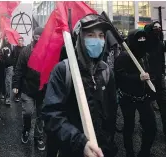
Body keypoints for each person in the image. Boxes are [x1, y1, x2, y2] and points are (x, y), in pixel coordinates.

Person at [42, 14, 118, 157]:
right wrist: (80, 143)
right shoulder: (64, 70)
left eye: (101, 36)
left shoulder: (106, 71)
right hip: (70, 150)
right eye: (91, 35)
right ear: (80, 39)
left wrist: (108, 144)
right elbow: (51, 115)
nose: (98, 41)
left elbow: (111, 112)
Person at [115, 29, 157, 157]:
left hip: (144, 97)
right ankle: (129, 153)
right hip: (127, 98)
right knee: (129, 126)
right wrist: (137, 78)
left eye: (144, 39)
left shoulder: (145, 55)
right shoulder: (123, 56)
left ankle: (144, 153)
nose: (142, 42)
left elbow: (151, 73)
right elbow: (118, 77)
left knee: (151, 127)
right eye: (139, 39)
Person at [12, 27, 45, 151]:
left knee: (41, 115)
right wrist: (16, 85)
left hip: (43, 89)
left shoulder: (48, 51)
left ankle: (39, 136)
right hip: (28, 88)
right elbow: (19, 69)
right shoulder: (25, 51)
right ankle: (26, 129)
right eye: (37, 37)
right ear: (33, 37)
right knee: (28, 112)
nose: (39, 40)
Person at [144, 21, 166, 135]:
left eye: (159, 28)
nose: (158, 29)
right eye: (155, 27)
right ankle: (148, 129)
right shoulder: (145, 45)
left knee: (164, 105)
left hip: (159, 78)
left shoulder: (161, 44)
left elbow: (162, 60)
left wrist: (163, 72)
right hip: (149, 79)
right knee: (147, 106)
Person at [1, 37, 13, 105]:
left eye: (7, 38)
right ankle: (3, 93)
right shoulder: (0, 46)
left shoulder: (12, 46)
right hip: (2, 67)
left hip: (9, 67)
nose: (6, 39)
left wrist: (12, 63)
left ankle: (8, 98)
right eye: (5, 38)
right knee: (2, 81)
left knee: (8, 82)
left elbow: (14, 55)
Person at [12, 37, 25, 102]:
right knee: (17, 81)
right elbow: (13, 58)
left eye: (21, 41)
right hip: (17, 67)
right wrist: (14, 67)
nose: (20, 42)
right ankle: (16, 96)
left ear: (23, 41)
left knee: (23, 81)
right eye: (19, 40)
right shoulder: (15, 48)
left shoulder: (25, 48)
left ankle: (21, 95)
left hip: (24, 67)